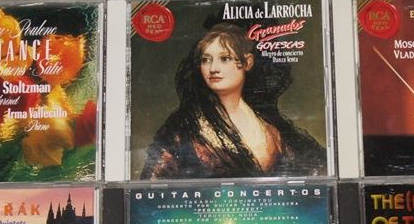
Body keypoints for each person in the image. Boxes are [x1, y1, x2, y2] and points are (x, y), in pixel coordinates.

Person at [140, 23, 327, 179]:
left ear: (247, 62)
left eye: (224, 58)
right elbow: (152, 185)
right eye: (206, 60)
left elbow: (314, 170)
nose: (213, 68)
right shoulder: (183, 125)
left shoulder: (269, 126)